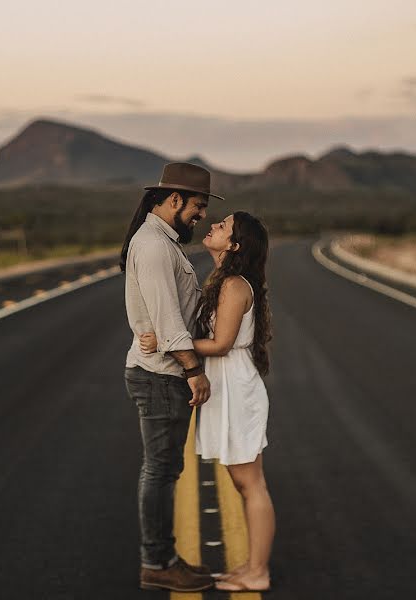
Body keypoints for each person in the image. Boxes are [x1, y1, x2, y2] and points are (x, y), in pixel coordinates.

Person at [140, 211, 275, 593]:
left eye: (223, 226)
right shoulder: (224, 281)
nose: (213, 225)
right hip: (228, 384)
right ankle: (250, 565)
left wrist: (168, 343)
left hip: (237, 387)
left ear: (234, 245)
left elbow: (221, 344)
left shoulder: (234, 285)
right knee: (242, 482)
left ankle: (258, 570)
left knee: (251, 484)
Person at [121, 162, 225, 593]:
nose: (201, 215)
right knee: (161, 472)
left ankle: (163, 557)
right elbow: (166, 318)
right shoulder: (154, 247)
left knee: (163, 470)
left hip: (159, 369)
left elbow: (160, 316)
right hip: (162, 375)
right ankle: (157, 562)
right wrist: (193, 370)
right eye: (198, 205)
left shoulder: (160, 242)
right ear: (175, 199)